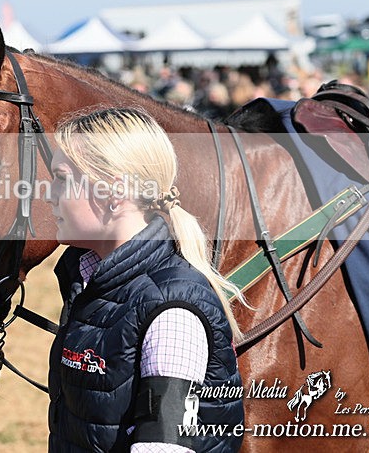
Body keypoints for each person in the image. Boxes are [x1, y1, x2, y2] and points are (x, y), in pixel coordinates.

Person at [47, 107, 245, 452]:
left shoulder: (172, 314)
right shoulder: (92, 284)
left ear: (113, 192)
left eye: (62, 179)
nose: (49, 195)